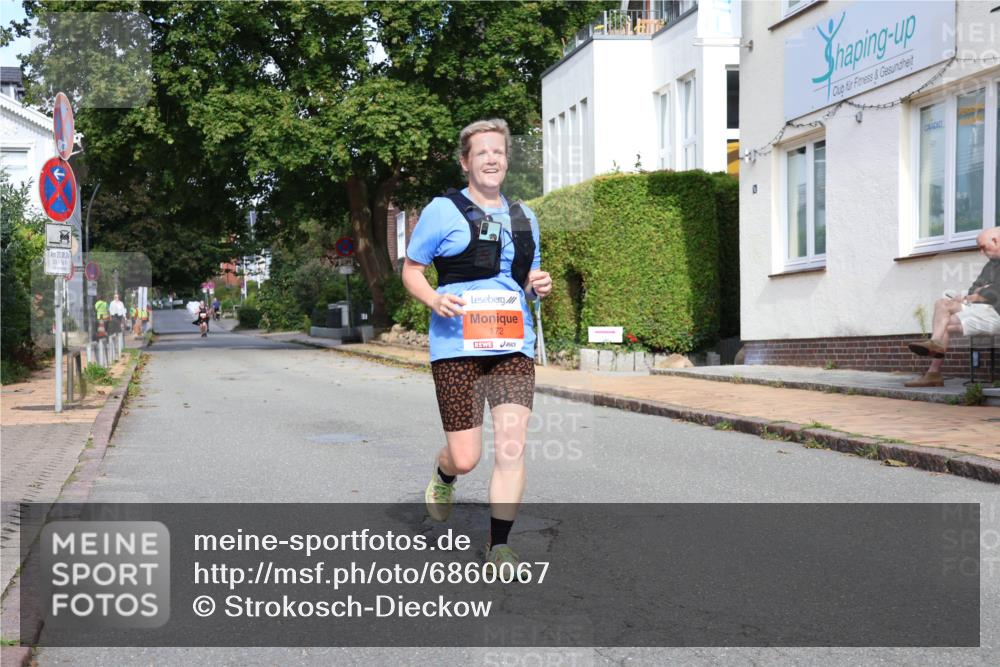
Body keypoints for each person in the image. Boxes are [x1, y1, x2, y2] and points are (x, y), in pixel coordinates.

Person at [402, 118, 552, 579]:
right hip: (456, 348)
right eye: (482, 152)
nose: (492, 159)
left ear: (507, 160)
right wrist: (433, 298)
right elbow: (411, 269)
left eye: (499, 151)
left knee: (511, 447)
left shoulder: (525, 217)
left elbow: (524, 281)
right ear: (465, 162)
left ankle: (499, 545)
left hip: (512, 345)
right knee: (466, 457)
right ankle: (445, 473)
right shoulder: (442, 211)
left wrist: (537, 285)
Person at [905, 227, 1000, 387]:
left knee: (943, 317)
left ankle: (934, 349)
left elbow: (995, 293)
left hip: (996, 314)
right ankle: (933, 371)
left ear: (996, 241)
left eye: (983, 247)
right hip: (984, 311)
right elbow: (974, 289)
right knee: (942, 309)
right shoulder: (990, 266)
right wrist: (981, 291)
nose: (981, 252)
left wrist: (980, 293)